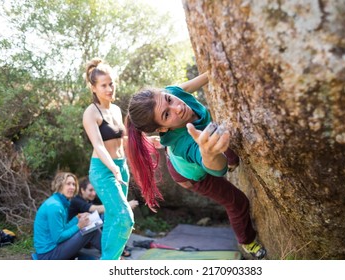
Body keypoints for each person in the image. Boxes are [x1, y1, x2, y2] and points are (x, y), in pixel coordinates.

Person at [125, 72, 267, 259]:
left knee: (223, 142)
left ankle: (228, 158)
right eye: (167, 115)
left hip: (188, 155)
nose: (177, 107)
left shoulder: (169, 95)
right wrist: (209, 153)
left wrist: (215, 69)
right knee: (237, 201)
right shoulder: (183, 144)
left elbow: (189, 86)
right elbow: (217, 169)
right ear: (162, 129)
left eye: (169, 99)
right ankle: (247, 242)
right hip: (190, 176)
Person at [82, 58, 133, 260]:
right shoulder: (90, 113)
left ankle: (112, 261)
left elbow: (122, 139)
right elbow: (99, 145)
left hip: (121, 168)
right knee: (124, 217)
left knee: (113, 218)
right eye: (104, 85)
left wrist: (148, 142)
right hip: (104, 170)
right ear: (93, 88)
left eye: (111, 83)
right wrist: (113, 168)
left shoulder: (116, 110)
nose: (109, 88)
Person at [33, 172, 101, 260]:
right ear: (60, 185)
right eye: (68, 184)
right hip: (48, 254)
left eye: (73, 184)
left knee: (91, 226)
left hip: (54, 248)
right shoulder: (55, 206)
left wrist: (77, 218)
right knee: (92, 231)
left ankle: (112, 253)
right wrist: (79, 226)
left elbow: (63, 228)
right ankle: (113, 255)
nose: (72, 187)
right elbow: (59, 238)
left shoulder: (61, 202)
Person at [68, 176, 139, 257]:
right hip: (77, 235)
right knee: (104, 216)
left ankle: (115, 246)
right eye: (90, 190)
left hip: (87, 234)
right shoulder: (76, 201)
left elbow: (107, 203)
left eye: (95, 190)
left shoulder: (91, 199)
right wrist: (124, 206)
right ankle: (112, 250)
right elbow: (95, 209)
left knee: (108, 215)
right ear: (82, 190)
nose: (94, 193)